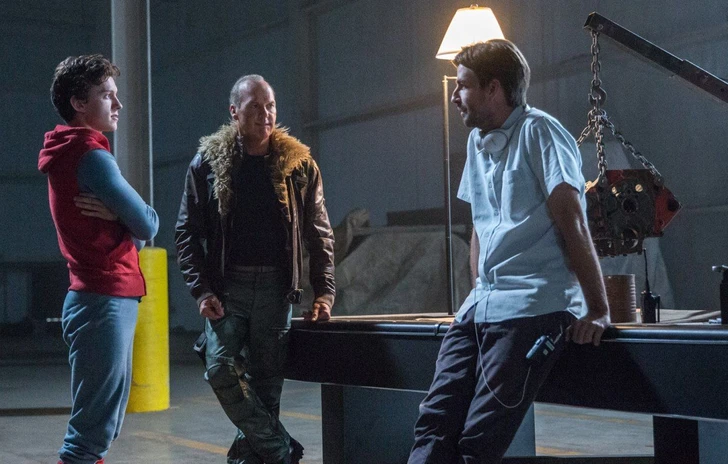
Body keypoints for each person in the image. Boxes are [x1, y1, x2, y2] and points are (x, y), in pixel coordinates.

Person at [408, 40, 610, 464]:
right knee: (433, 425)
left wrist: (597, 309)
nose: (454, 96)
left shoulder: (541, 132)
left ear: (493, 88)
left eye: (463, 85)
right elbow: (480, 227)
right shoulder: (477, 143)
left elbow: (572, 221)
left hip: (532, 308)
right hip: (481, 308)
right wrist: (476, 293)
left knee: (478, 443)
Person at [175, 74, 335, 464]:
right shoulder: (207, 164)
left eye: (271, 106)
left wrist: (325, 291)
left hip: (276, 291)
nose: (266, 114)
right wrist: (202, 290)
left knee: (266, 390)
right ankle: (281, 450)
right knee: (219, 368)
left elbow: (319, 232)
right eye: (255, 107)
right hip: (228, 289)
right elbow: (186, 233)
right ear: (234, 112)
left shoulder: (299, 166)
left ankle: (249, 458)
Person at [38, 54, 159, 464]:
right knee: (89, 435)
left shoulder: (68, 153)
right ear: (78, 103)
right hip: (103, 300)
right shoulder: (90, 155)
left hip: (98, 297)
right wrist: (125, 217)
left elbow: (135, 236)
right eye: (107, 95)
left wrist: (118, 218)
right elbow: (148, 224)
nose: (118, 104)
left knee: (100, 427)